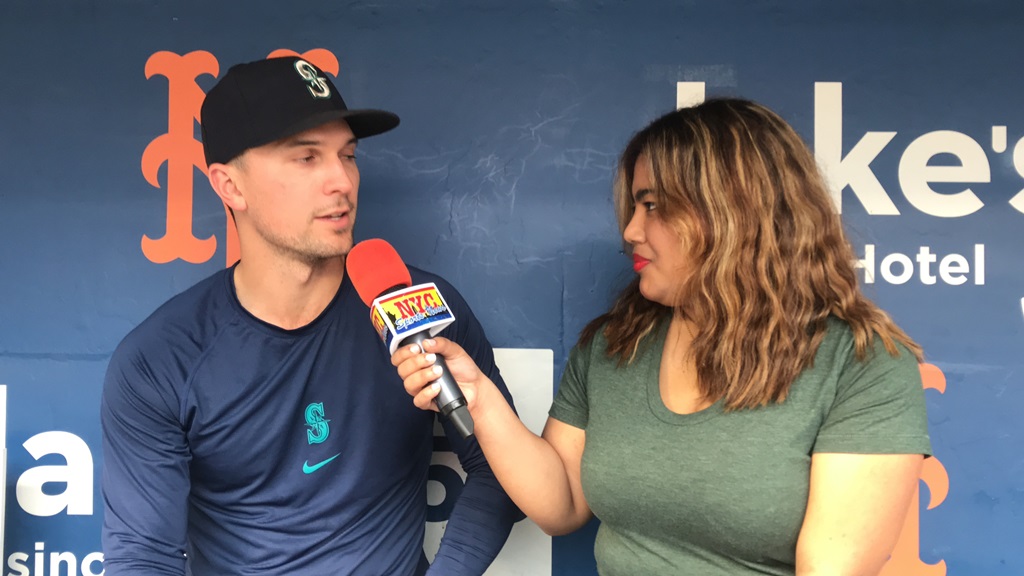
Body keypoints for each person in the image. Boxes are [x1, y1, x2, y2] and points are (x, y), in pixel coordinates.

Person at [394, 98, 931, 575]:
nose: (630, 230)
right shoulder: (615, 345)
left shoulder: (863, 366)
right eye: (634, 207)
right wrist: (479, 397)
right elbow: (562, 504)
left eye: (652, 206)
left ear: (734, 212)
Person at [100, 56, 521, 576]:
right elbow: (142, 556)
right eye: (306, 158)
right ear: (230, 186)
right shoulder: (160, 359)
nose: (341, 181)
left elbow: (501, 470)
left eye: (348, 155)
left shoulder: (420, 310)